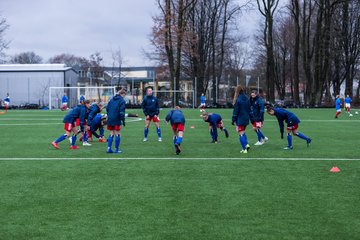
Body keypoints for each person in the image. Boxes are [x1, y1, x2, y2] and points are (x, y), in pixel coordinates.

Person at [106, 86, 126, 153]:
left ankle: (109, 148)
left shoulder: (111, 99)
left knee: (111, 133)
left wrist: (109, 115)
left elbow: (107, 108)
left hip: (110, 118)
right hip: (117, 119)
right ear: (122, 94)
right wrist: (122, 121)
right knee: (117, 134)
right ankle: (116, 149)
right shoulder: (122, 101)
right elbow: (122, 112)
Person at [232, 86, 251, 154]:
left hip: (240, 119)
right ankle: (247, 145)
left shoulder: (238, 99)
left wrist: (233, 119)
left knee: (241, 134)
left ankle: (244, 149)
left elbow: (236, 111)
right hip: (246, 118)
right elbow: (249, 109)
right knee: (243, 132)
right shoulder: (247, 98)